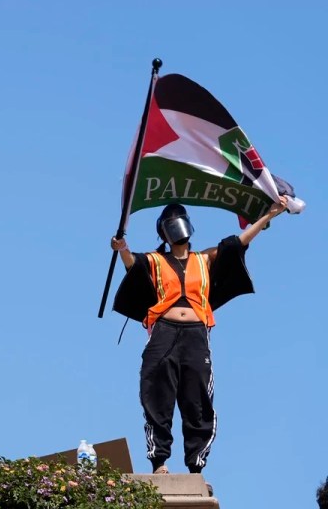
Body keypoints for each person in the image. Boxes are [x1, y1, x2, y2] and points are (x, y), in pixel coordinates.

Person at [110, 196, 287, 475]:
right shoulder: (155, 260)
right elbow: (133, 265)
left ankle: (196, 464)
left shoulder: (204, 258)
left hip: (195, 334)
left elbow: (238, 243)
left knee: (197, 399)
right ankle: (160, 462)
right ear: (163, 232)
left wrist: (269, 215)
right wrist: (122, 247)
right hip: (163, 334)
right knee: (157, 393)